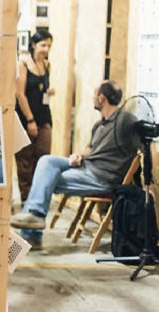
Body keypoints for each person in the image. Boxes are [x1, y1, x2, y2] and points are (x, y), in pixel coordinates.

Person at [10, 81, 141, 248]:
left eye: (95, 95)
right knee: (46, 161)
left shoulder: (125, 121)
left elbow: (142, 140)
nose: (93, 98)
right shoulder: (99, 124)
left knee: (45, 178)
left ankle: (32, 232)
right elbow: (90, 149)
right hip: (86, 166)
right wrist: (79, 155)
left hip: (101, 177)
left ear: (101, 98)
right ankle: (35, 217)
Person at [14, 29, 54, 204]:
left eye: (49, 46)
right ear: (33, 45)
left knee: (43, 158)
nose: (46, 49)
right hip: (25, 119)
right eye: (43, 45)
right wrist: (30, 120)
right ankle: (26, 198)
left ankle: (38, 197)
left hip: (44, 117)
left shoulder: (47, 65)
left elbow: (41, 90)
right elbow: (20, 94)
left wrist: (48, 91)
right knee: (25, 160)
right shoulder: (23, 64)